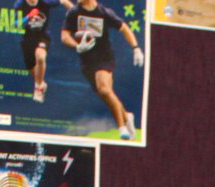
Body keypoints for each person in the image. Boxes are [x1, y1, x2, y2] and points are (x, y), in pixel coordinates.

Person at [62, 0, 144, 140]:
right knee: (106, 94)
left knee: (104, 89)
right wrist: (77, 46)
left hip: (104, 58)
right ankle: (126, 115)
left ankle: (121, 128)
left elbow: (124, 28)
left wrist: (136, 48)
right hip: (87, 62)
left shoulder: (104, 13)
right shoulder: (74, 12)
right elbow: (64, 36)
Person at [11, 0, 62, 101]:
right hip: (27, 39)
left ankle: (38, 88)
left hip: (42, 37)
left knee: (40, 57)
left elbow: (62, 2)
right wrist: (28, 17)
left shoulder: (46, 2)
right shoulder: (20, 4)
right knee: (32, 68)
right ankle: (41, 84)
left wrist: (72, 8)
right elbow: (15, 24)